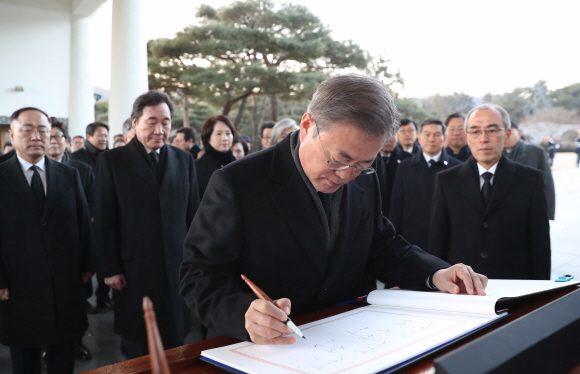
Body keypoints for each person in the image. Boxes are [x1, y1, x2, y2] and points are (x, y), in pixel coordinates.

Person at [180, 75, 488, 345]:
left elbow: (382, 244)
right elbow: (199, 275)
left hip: (348, 341)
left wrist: (435, 273)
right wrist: (242, 313)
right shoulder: (238, 182)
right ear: (307, 125)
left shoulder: (365, 178)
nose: (346, 175)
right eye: (338, 159)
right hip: (263, 349)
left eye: (363, 165)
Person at [94, 90, 200, 360]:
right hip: (133, 270)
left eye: (165, 122)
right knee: (139, 343)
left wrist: (197, 261)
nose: (159, 129)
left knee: (177, 340)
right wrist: (110, 269)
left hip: (177, 267)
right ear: (135, 123)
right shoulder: (112, 161)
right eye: (151, 121)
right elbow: (105, 219)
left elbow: (193, 216)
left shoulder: (184, 159)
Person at [0, 107, 93, 373]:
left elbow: (83, 224)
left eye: (43, 129)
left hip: (64, 283)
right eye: (27, 129)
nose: (36, 136)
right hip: (18, 286)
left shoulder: (69, 175)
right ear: (12, 134)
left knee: (63, 357)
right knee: (24, 359)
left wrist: (88, 268)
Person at [429, 104, 550, 280]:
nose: (483, 139)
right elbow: (438, 241)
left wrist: (541, 294)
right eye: (475, 131)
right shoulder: (447, 180)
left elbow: (539, 244)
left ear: (507, 134)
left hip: (514, 283)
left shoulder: (530, 180)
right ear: (467, 137)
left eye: (491, 130)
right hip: (462, 287)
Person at [47, 117, 95, 361]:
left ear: (66, 142)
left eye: (59, 137)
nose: (54, 141)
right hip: (46, 251)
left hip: (73, 247)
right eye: (50, 136)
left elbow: (92, 203)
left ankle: (77, 343)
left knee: (75, 304)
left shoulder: (80, 169)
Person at [389, 118, 460, 251]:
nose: (431, 139)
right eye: (427, 134)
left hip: (446, 241)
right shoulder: (405, 167)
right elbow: (396, 207)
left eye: (437, 135)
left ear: (444, 139)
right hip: (411, 241)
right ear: (419, 138)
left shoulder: (457, 168)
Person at [70, 121, 113, 310]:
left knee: (106, 257)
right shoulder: (77, 159)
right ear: (89, 137)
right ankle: (83, 299)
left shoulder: (111, 156)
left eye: (106, 135)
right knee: (85, 259)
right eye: (100, 135)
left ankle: (103, 296)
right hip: (86, 218)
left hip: (106, 216)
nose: (104, 138)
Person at [504, 121, 555, 220]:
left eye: (510, 133)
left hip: (530, 208)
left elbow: (547, 182)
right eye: (504, 134)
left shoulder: (535, 151)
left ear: (519, 134)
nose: (507, 137)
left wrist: (547, 212)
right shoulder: (495, 153)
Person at [194, 115, 236, 198]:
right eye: (219, 134)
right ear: (208, 137)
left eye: (228, 133)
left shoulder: (238, 165)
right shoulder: (196, 168)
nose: (225, 138)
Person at [373, 132, 412, 217]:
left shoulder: (409, 160)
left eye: (391, 136)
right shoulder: (367, 160)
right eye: (384, 136)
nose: (387, 140)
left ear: (398, 136)